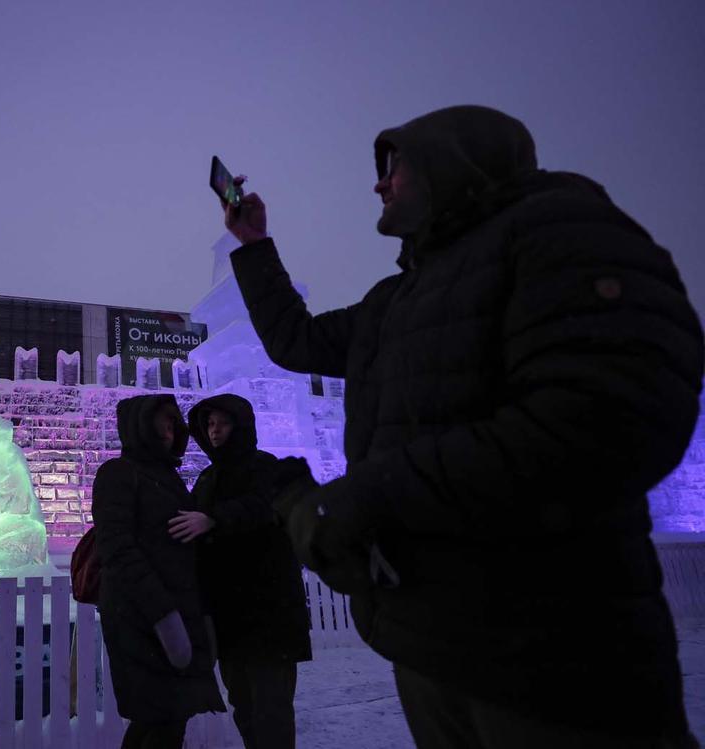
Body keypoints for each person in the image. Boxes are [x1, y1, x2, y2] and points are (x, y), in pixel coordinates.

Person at [221, 104, 704, 747]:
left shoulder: (561, 232)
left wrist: (373, 496)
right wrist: (255, 247)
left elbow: (607, 419)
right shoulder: (395, 300)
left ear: (452, 165)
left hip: (554, 650)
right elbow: (297, 340)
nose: (378, 183)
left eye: (394, 166)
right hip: (433, 642)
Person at [167, 393, 313, 749]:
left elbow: (263, 508)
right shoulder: (207, 478)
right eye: (210, 425)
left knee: (271, 707)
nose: (215, 432)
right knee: (244, 705)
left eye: (222, 424)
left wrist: (214, 519)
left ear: (241, 426)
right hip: (228, 615)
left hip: (267, 613)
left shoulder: (265, 467)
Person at [92, 394, 225, 748]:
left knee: (170, 719)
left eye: (172, 421)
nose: (170, 428)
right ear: (141, 425)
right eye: (162, 421)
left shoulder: (167, 475)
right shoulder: (118, 474)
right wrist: (162, 613)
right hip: (141, 616)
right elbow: (117, 548)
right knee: (158, 718)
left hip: (177, 609)